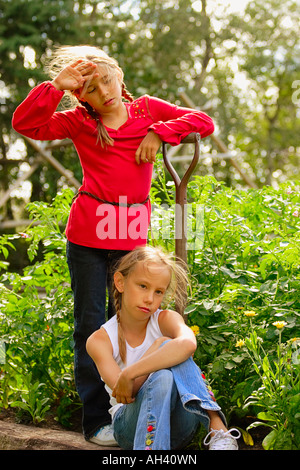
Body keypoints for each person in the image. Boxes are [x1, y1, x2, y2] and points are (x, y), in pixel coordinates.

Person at [12, 45, 215, 445]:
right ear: (81, 97)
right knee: (90, 323)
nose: (102, 91)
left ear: (119, 76)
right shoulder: (78, 122)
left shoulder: (146, 111)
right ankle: (96, 420)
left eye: (106, 80)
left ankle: (131, 405)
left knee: (128, 322)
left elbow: (203, 121)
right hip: (88, 235)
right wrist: (57, 86)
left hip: (129, 237)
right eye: (89, 88)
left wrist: (161, 131)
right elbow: (26, 124)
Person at [86, 245, 240, 450]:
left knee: (172, 347)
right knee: (164, 373)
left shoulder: (166, 319)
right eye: (142, 286)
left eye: (158, 291)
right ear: (120, 282)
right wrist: (157, 349)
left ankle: (217, 430)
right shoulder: (100, 340)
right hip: (130, 428)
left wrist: (131, 371)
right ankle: (215, 429)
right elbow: (125, 394)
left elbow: (188, 344)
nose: (150, 298)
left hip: (180, 425)